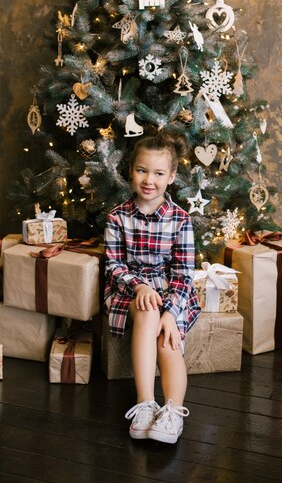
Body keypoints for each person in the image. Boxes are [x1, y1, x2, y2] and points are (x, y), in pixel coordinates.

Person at [104, 131, 201, 444]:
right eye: (142, 170)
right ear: (131, 170)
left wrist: (171, 312)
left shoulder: (181, 220)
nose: (149, 180)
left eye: (159, 173)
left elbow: (184, 274)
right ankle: (145, 404)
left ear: (171, 177)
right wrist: (139, 287)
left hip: (172, 291)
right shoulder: (117, 218)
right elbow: (113, 266)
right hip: (130, 291)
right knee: (147, 313)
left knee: (165, 338)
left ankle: (172, 413)